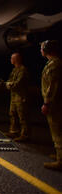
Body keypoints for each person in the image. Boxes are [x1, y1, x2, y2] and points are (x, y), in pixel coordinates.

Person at [0, 52, 30, 142]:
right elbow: (10, 81)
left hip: (21, 97)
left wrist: (6, 84)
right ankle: (14, 131)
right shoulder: (15, 70)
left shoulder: (22, 70)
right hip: (14, 96)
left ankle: (25, 135)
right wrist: (5, 84)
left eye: (12, 58)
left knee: (22, 116)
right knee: (13, 114)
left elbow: (16, 84)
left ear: (16, 59)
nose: (11, 60)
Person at [40, 40, 62, 171]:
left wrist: (46, 103)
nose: (40, 51)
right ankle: (60, 155)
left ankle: (60, 161)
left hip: (55, 104)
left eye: (42, 48)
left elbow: (52, 87)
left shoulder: (55, 65)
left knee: (57, 132)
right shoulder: (53, 63)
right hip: (56, 103)